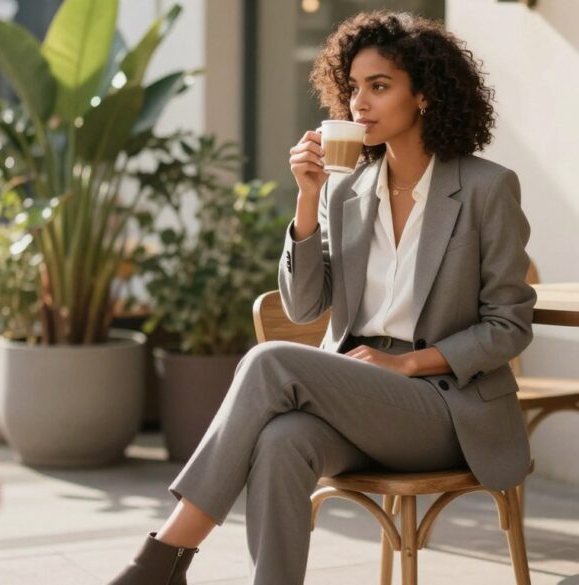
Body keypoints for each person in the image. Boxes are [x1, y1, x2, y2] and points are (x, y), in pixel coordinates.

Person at [108, 9, 536, 585]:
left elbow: (508, 326)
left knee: (269, 359)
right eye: (353, 88)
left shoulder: (486, 188)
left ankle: (163, 559)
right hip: (360, 394)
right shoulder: (346, 189)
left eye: (379, 87)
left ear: (426, 95)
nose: (359, 103)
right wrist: (307, 200)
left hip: (445, 406)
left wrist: (406, 361)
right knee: (284, 440)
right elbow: (307, 307)